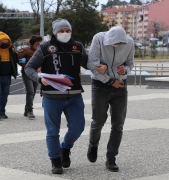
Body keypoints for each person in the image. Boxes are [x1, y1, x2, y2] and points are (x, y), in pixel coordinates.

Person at [25, 18, 88, 174]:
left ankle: (65, 148)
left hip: (74, 95)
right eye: (61, 31)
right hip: (52, 96)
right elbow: (29, 68)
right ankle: (55, 160)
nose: (65, 33)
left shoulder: (78, 46)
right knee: (52, 131)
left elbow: (89, 63)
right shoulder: (45, 48)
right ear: (55, 32)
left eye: (67, 30)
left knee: (78, 127)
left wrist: (102, 66)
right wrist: (40, 78)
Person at [86, 26, 134, 172]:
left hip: (120, 87)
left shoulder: (130, 42)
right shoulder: (99, 38)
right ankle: (93, 144)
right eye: (114, 43)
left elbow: (130, 63)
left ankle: (111, 158)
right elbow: (91, 64)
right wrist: (109, 80)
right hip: (100, 86)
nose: (116, 46)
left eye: (119, 44)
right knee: (98, 121)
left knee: (118, 124)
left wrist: (124, 70)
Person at [17, 35, 42, 120]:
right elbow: (19, 59)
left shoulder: (41, 51)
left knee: (33, 92)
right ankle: (30, 110)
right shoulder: (25, 50)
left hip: (36, 74)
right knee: (30, 91)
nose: (39, 44)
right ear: (32, 43)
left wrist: (40, 67)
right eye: (37, 43)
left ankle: (27, 109)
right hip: (27, 74)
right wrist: (25, 65)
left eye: (40, 43)